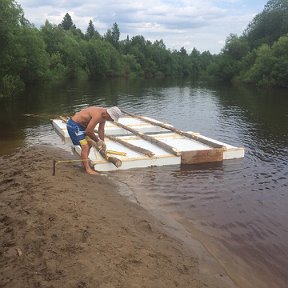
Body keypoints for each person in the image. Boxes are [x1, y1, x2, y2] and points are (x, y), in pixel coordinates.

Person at [66, 106, 121, 175]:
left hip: (82, 127)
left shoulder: (104, 116)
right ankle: (87, 169)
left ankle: (84, 164)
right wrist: (98, 141)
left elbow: (101, 129)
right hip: (74, 125)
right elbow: (88, 131)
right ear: (108, 114)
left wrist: (102, 142)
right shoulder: (98, 115)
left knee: (89, 144)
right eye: (111, 119)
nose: (111, 120)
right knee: (85, 146)